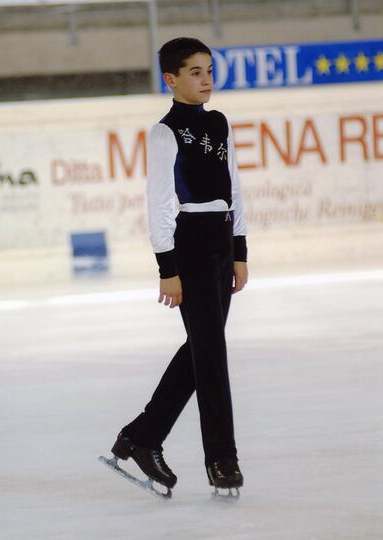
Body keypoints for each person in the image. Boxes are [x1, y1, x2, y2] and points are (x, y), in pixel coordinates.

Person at [110, 37, 248, 494]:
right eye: (195, 72)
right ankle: (222, 460)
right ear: (171, 79)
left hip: (221, 244)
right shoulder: (164, 131)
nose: (206, 79)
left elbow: (236, 186)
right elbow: (157, 203)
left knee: (201, 351)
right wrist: (166, 267)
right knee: (211, 356)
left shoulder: (221, 122)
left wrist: (240, 251)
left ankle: (141, 436)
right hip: (189, 244)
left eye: (209, 70)